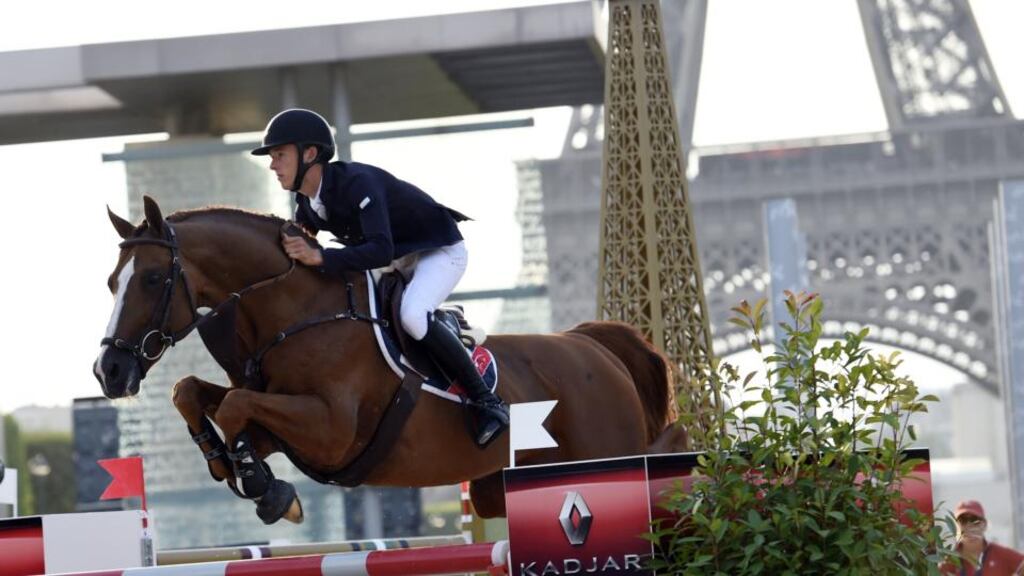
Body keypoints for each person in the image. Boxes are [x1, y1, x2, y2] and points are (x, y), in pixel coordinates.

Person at [251, 108, 509, 447]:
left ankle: (488, 404)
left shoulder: (357, 184)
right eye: (272, 157)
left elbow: (379, 251)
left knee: (413, 317)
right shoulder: (308, 201)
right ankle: (444, 322)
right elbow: (304, 241)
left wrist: (321, 256)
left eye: (279, 155)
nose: (272, 165)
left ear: (309, 154)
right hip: (399, 261)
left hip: (438, 252)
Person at [940, 499, 1024, 575]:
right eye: (963, 521)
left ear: (985, 525)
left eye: (975, 520)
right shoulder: (948, 561)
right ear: (955, 527)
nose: (970, 527)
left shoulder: (1001, 554)